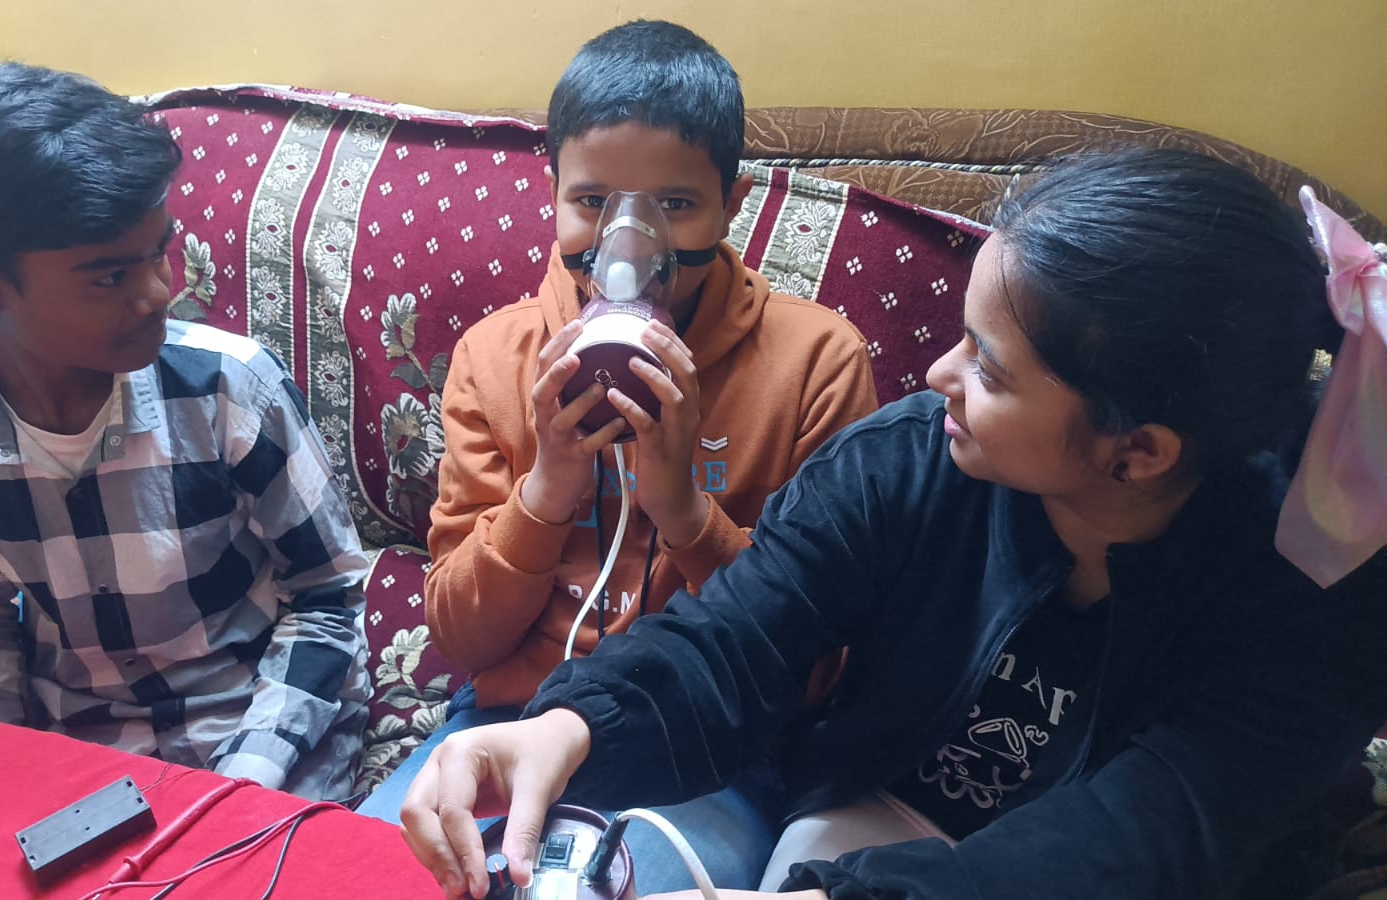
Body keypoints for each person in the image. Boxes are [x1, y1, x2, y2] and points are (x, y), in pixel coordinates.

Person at [398, 149, 1387, 899]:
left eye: (987, 369)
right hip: (857, 826)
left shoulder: (1310, 603)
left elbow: (1138, 839)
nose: (935, 378)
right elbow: (739, 638)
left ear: (1138, 452)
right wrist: (568, 729)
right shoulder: (907, 460)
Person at [356, 18, 878, 885]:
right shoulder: (497, 358)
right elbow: (456, 636)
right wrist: (548, 487)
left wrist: (683, 508)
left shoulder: (816, 364)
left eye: (675, 205)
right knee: (361, 876)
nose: (629, 243)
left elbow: (822, 671)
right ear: (552, 191)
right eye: (593, 202)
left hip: (710, 750)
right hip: (506, 722)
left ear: (731, 205)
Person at [0, 62, 372, 801]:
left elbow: (328, 603)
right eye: (109, 277)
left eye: (158, 251)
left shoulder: (228, 387)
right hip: (82, 750)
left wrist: (241, 783)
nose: (159, 291)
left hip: (262, 731)